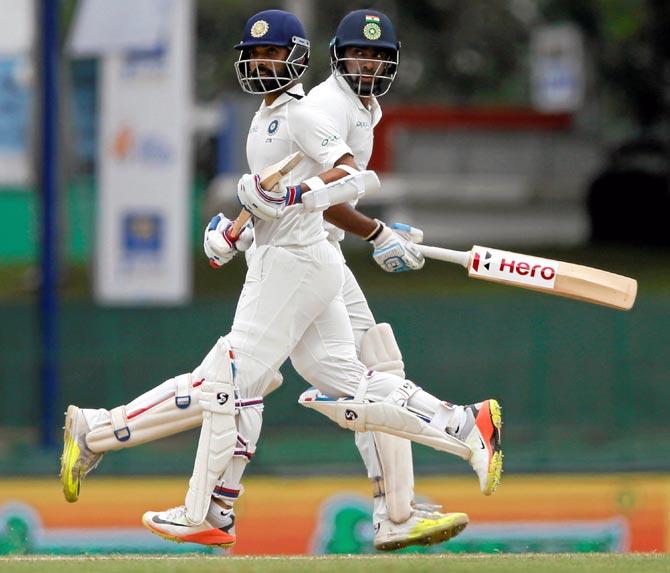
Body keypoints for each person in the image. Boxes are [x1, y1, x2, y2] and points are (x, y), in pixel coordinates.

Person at [60, 9, 502, 552]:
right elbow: (287, 188)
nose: (264, 63)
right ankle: (460, 429)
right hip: (299, 256)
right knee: (350, 383)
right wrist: (239, 229)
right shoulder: (291, 111)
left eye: (274, 54)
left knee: (230, 380)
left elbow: (340, 177)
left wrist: (372, 228)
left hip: (297, 260)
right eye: (257, 54)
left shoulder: (307, 111)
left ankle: (204, 507)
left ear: (299, 57)